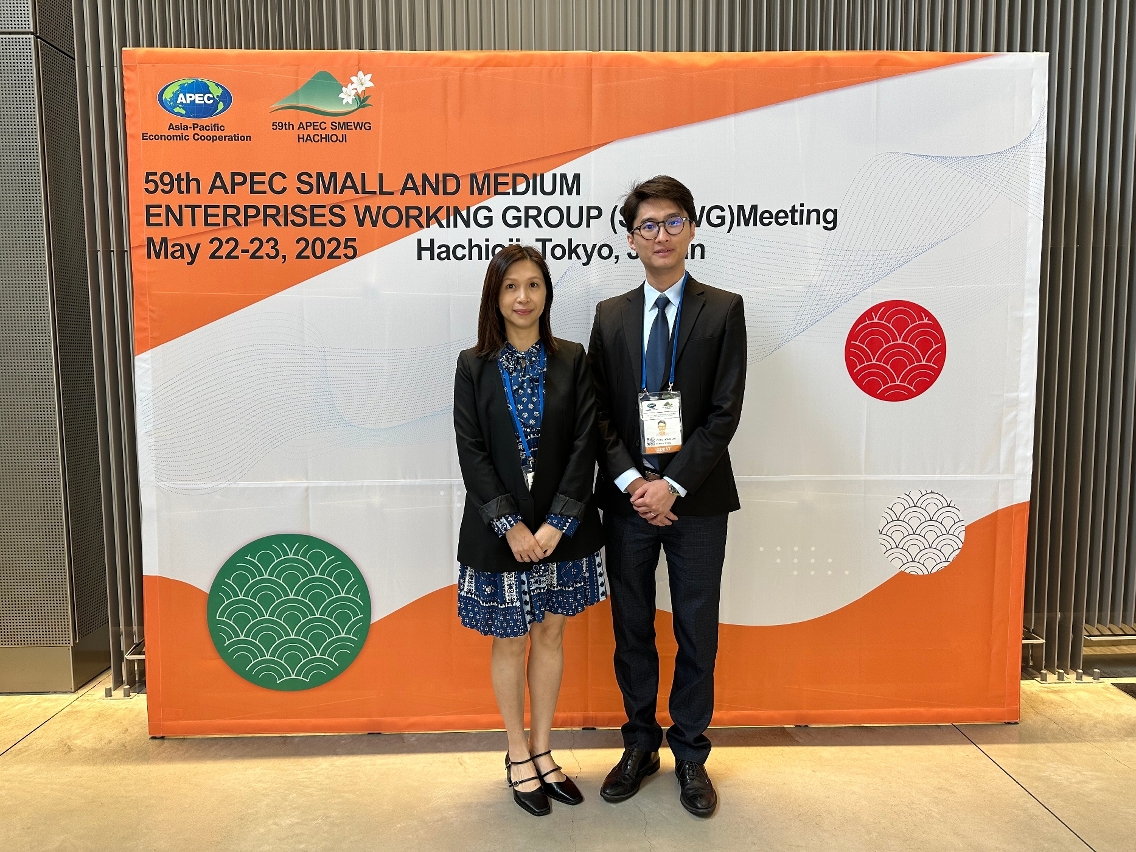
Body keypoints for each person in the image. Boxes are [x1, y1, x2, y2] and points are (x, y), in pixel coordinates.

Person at [588, 176, 747, 817]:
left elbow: (724, 411)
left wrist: (673, 483)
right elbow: (597, 413)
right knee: (631, 626)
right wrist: (634, 482)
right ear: (632, 239)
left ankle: (690, 753)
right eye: (648, 225)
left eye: (673, 221)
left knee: (696, 630)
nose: (661, 234)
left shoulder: (724, 309)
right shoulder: (610, 315)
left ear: (691, 229)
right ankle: (639, 745)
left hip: (697, 501)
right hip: (628, 502)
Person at [454, 244, 607, 817]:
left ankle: (543, 750)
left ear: (547, 293)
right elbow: (471, 451)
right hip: (499, 534)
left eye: (534, 285)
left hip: (563, 532)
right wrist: (512, 526)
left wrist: (557, 523)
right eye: (511, 286)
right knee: (510, 639)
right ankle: (517, 752)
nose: (523, 297)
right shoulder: (473, 365)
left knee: (550, 635)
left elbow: (585, 444)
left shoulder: (572, 358)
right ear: (495, 297)